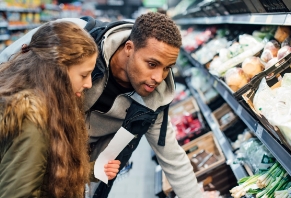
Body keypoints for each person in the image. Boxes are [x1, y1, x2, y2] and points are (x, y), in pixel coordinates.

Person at [0, 12, 203, 198]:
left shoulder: (154, 100)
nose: (158, 77)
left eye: (167, 68)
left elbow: (173, 158)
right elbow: (8, 62)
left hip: (75, 166)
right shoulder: (76, 35)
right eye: (152, 64)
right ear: (129, 48)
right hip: (33, 140)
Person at [0, 21, 120, 197]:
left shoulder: (45, 105)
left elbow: (46, 171)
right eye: (83, 75)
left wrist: (90, 170)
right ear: (58, 72)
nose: (88, 84)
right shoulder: (32, 122)